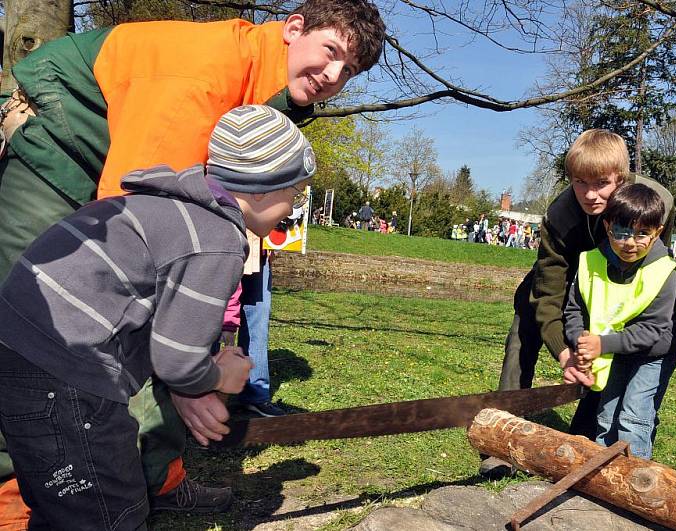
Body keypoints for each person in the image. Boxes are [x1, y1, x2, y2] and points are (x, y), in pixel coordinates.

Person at [0, 0, 386, 519]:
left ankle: (156, 477)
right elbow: (133, 228)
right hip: (60, 153)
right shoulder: (201, 76)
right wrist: (192, 379)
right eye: (332, 51)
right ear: (294, 28)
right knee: (47, 340)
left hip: (130, 183)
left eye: (351, 70)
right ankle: (19, 499)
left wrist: (193, 365)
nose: (335, 75)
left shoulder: (269, 95)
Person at [0, 105, 315, 530]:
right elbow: (178, 361)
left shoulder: (167, 208)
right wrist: (219, 376)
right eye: (292, 192)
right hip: (63, 374)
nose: (292, 207)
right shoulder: (218, 237)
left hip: (22, 350)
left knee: (63, 506)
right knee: (110, 509)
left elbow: (156, 330)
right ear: (261, 188)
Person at [484, 129, 675, 478]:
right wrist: (562, 350)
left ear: (622, 177)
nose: (590, 194)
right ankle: (502, 434)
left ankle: (592, 434)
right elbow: (549, 290)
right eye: (579, 182)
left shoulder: (654, 199)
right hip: (572, 274)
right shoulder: (560, 213)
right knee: (524, 324)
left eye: (602, 183)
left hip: (619, 278)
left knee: (615, 340)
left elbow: (656, 265)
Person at [564, 184, 676, 459]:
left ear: (657, 232)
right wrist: (580, 341)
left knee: (634, 415)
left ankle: (635, 477)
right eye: (621, 232)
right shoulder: (589, 262)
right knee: (607, 413)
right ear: (607, 226)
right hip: (614, 349)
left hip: (652, 353)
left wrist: (602, 344)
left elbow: (654, 330)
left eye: (642, 234)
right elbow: (574, 309)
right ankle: (602, 474)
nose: (630, 242)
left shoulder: (664, 271)